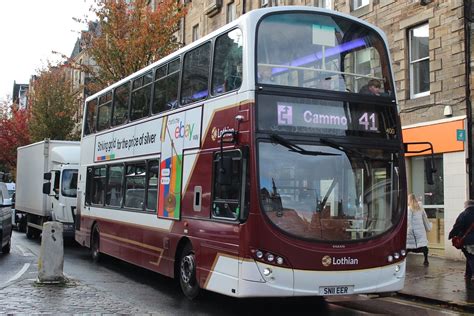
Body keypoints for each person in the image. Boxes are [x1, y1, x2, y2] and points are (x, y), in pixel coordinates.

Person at [449, 200, 474, 282]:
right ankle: (468, 275)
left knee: (470, 257)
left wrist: (451, 235)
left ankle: (471, 274)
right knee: (469, 256)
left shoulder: (464, 214)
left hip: (469, 241)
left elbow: (457, 226)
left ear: (467, 206)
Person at [406, 193, 432, 266]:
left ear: (409, 200)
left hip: (413, 231)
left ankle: (403, 261)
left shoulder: (409, 208)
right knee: (423, 246)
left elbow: (408, 220)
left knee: (408, 246)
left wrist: (407, 229)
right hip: (421, 230)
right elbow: (424, 217)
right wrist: (427, 227)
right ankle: (426, 260)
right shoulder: (420, 207)